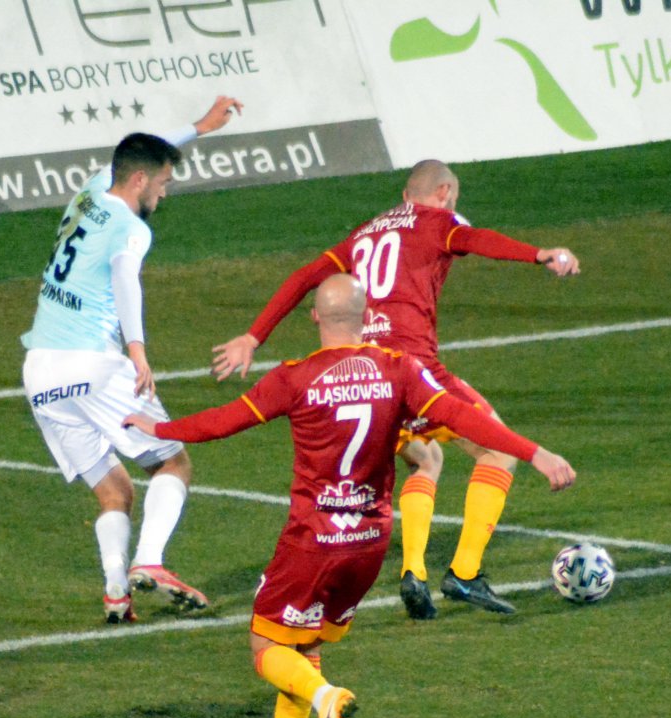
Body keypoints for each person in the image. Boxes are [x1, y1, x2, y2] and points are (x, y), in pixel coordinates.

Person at [126, 274, 575, 718]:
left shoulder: (293, 377)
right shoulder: (400, 369)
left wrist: (158, 429)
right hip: (368, 542)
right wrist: (535, 452)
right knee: (304, 642)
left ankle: (326, 698)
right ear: (368, 317)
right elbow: (461, 416)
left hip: (312, 539)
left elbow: (223, 422)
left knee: (266, 644)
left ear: (315, 316)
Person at [212, 159, 580, 619]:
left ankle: (413, 573)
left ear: (405, 195)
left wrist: (254, 336)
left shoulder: (365, 232)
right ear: (443, 192)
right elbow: (477, 240)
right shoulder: (438, 221)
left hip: (367, 376)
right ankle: (465, 573)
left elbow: (306, 276)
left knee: (426, 459)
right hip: (413, 370)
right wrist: (539, 254)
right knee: (498, 452)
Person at [21, 95, 243, 624]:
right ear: (140, 180)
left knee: (114, 490)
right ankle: (151, 562)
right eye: (163, 183)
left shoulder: (90, 190)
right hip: (93, 366)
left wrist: (199, 127)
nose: (164, 193)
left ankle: (117, 591)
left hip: (39, 373)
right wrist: (137, 349)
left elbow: (139, 152)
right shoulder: (132, 228)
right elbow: (126, 280)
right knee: (173, 461)